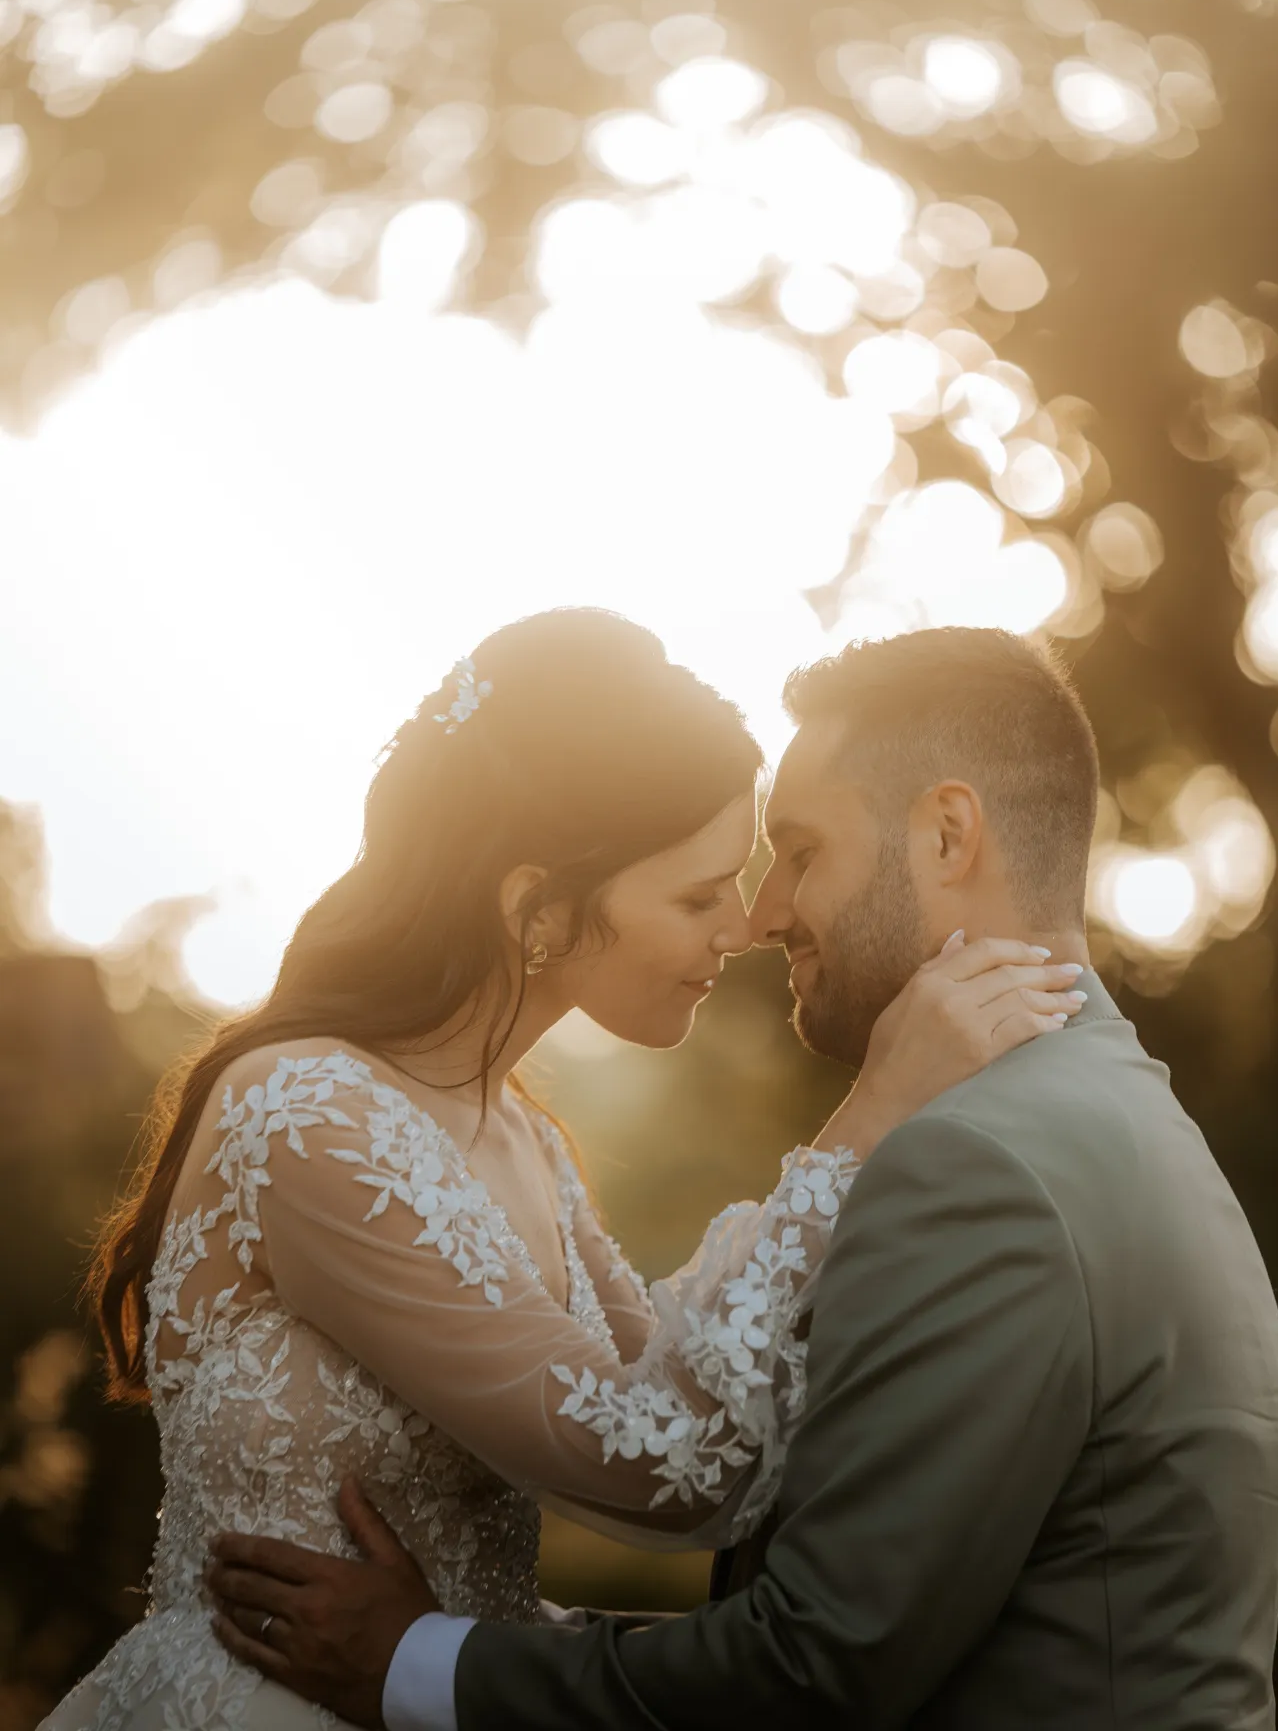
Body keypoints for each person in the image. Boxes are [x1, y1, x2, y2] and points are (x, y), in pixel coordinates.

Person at [208, 625, 1278, 1730]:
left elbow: (813, 1662)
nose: (761, 918)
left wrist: (422, 1660)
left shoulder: (977, 1161)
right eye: (708, 888)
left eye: (799, 851)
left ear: (948, 833)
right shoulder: (1113, 1109)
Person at [44, 609, 1076, 1731]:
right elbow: (665, 1463)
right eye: (696, 894)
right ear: (537, 906)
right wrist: (867, 1119)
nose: (742, 926)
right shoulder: (309, 1119)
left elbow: (667, 1383)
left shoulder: (520, 1134)